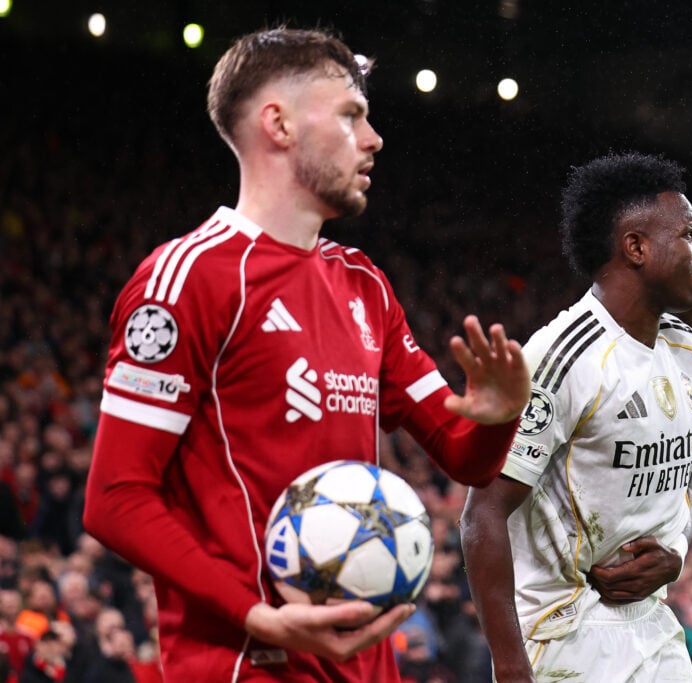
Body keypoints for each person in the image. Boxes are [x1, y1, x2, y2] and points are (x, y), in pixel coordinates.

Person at [82, 26, 530, 683]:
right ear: (279, 124)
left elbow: (466, 458)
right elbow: (115, 498)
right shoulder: (188, 279)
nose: (373, 138)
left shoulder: (364, 284)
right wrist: (256, 615)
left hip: (367, 665)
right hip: (248, 663)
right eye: (350, 115)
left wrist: (499, 415)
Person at [461, 152, 692, 682]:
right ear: (636, 247)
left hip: (653, 625)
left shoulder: (687, 351)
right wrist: (510, 665)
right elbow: (482, 513)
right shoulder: (561, 357)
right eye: (689, 234)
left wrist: (676, 552)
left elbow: (678, 487)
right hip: (563, 633)